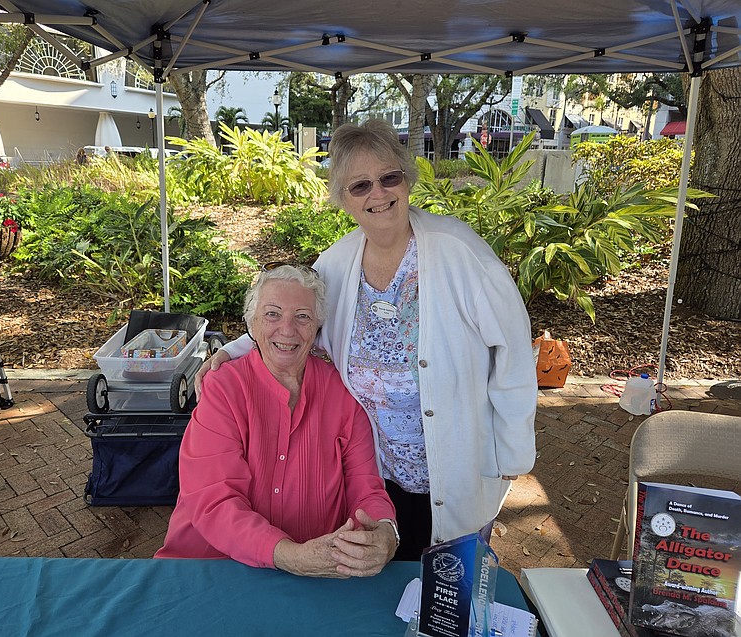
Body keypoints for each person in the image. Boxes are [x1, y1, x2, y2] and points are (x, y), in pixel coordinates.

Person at [199, 119, 537, 560]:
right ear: (342, 199)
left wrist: (512, 452)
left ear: (407, 179)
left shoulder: (459, 250)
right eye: (359, 186)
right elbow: (295, 323)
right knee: (389, 580)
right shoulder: (338, 263)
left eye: (388, 178)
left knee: (453, 588)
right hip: (378, 472)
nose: (377, 194)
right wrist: (229, 352)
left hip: (459, 462)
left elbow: (512, 348)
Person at [155, 264, 398, 577]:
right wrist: (290, 556)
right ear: (252, 325)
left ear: (317, 328)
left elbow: (367, 489)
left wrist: (385, 533)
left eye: (302, 316)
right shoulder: (223, 389)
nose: (287, 329)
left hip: (319, 574)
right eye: (272, 314)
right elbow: (215, 500)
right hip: (214, 570)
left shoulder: (344, 394)